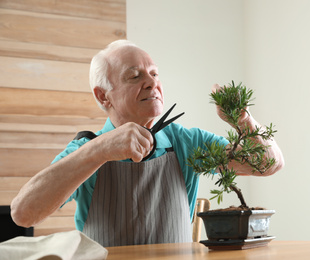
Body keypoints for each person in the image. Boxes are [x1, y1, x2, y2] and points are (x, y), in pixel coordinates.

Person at [10, 40, 284, 247]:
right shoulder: (87, 149)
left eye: (154, 73)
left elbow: (269, 164)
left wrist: (242, 118)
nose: (152, 83)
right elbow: (23, 214)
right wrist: (99, 150)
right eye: (135, 76)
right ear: (104, 96)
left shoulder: (185, 141)